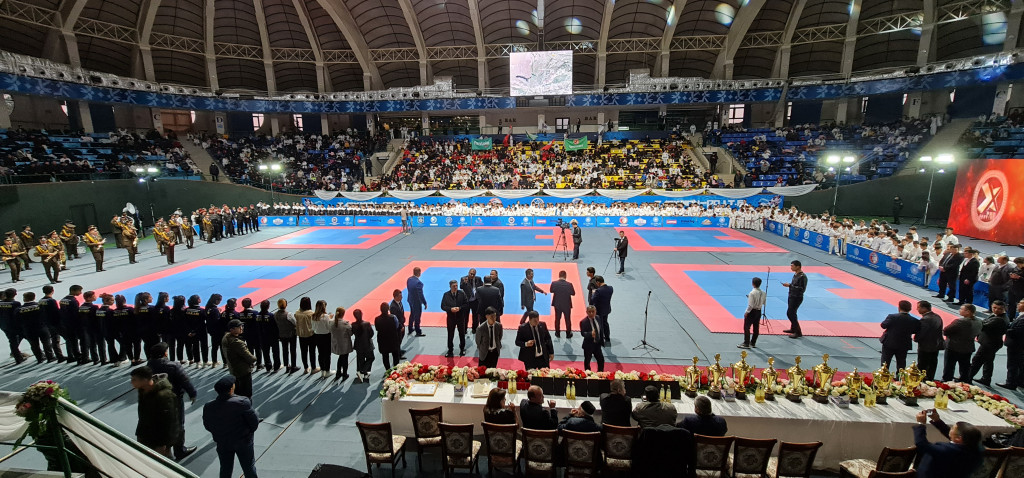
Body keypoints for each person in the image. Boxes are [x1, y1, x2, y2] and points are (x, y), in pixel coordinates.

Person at [146, 342, 198, 461]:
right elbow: (185, 381)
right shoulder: (173, 366)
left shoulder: (149, 366)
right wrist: (192, 394)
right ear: (165, 353)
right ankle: (179, 450)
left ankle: (165, 450)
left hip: (156, 400)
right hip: (174, 399)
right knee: (178, 424)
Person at [203, 376, 260, 478]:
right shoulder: (243, 402)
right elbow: (254, 422)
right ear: (231, 389)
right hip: (243, 441)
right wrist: (248, 433)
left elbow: (208, 425)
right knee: (249, 467)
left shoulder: (208, 406)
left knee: (225, 468)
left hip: (223, 442)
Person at [912, 409, 983, 478]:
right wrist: (937, 420)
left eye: (952, 428)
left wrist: (920, 424)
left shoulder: (946, 450)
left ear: (959, 438)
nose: (950, 429)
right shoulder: (976, 451)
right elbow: (955, 437)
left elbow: (921, 444)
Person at [130, 366, 179, 458]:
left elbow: (169, 422)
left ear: (145, 380)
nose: (131, 382)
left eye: (134, 379)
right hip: (146, 435)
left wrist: (163, 444)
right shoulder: (143, 390)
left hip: (159, 441)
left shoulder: (164, 396)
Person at [970, 300, 1009, 386]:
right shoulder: (996, 316)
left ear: (1004, 309)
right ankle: (986, 379)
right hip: (992, 342)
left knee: (977, 360)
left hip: (989, 343)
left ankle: (968, 377)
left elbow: (983, 325)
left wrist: (974, 319)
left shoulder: (999, 319)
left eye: (999, 308)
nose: (996, 310)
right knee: (988, 361)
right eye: (994, 307)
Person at [942, 304, 983, 384]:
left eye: (961, 309)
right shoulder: (979, 321)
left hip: (954, 346)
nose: (959, 310)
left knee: (949, 366)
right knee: (965, 366)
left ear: (968, 311)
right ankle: (963, 380)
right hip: (968, 347)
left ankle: (947, 381)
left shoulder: (960, 321)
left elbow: (946, 331)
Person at [880, 300, 921, 371]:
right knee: (901, 363)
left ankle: (883, 376)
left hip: (889, 342)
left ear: (899, 308)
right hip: (904, 344)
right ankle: (900, 376)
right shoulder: (914, 320)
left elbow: (883, 325)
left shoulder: (892, 317)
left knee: (885, 362)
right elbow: (915, 330)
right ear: (910, 309)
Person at [221, 319, 256, 398]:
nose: (241, 328)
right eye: (239, 327)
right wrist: (254, 358)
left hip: (233, 369)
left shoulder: (226, 338)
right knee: (246, 393)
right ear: (232, 330)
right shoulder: (237, 343)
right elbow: (250, 358)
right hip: (243, 370)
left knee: (237, 392)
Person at [915, 301, 945, 382]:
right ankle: (930, 379)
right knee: (932, 363)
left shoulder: (925, 319)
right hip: (936, 344)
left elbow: (922, 332)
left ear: (924, 308)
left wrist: (916, 339)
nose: (917, 309)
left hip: (926, 345)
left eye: (918, 307)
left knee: (922, 364)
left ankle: (920, 380)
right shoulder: (937, 316)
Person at [998, 299, 1024, 390]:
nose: (1018, 304)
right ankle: (1019, 381)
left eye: (1020, 303)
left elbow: (1018, 331)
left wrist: (1005, 330)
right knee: (1019, 364)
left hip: (1016, 344)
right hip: (1017, 344)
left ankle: (1011, 383)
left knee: (1012, 364)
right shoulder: (1021, 316)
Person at [441, 279, 468, 357]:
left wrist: (460, 308)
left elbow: (466, 304)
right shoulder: (446, 295)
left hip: (460, 317)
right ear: (450, 286)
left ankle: (462, 349)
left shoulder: (462, 293)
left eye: (456, 285)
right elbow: (443, 306)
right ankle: (450, 350)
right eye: (454, 286)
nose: (456, 287)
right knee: (450, 334)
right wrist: (450, 309)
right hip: (451, 318)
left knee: (462, 334)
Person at [738, 277, 766, 349]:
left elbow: (750, 305)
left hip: (752, 311)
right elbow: (764, 302)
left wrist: (746, 312)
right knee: (756, 327)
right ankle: (753, 342)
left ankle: (746, 343)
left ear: (753, 284)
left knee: (746, 327)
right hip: (759, 311)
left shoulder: (752, 293)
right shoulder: (763, 293)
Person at [781, 260, 807, 338]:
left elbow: (801, 289)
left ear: (798, 267)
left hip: (797, 297)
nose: (791, 267)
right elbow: (794, 285)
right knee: (792, 313)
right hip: (792, 295)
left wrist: (789, 285)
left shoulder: (802, 277)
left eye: (792, 266)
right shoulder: (796, 275)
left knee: (790, 313)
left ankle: (798, 332)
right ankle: (793, 328)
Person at [549, 270, 575, 338]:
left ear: (559, 275)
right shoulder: (569, 284)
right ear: (565, 276)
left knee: (557, 319)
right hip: (567, 304)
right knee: (567, 319)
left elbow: (551, 290)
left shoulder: (554, 283)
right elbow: (573, 293)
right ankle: (568, 333)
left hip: (557, 304)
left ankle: (557, 333)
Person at [374, 302, 401, 369]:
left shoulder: (377, 319)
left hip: (382, 340)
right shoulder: (393, 317)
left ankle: (387, 370)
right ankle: (396, 370)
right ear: (388, 309)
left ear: (380, 309)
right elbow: (397, 326)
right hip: (393, 339)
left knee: (385, 356)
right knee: (395, 355)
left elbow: (377, 328)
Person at [311, 300, 334, 378]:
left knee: (320, 353)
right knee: (327, 354)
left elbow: (313, 327)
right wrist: (331, 319)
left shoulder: (313, 316)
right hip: (326, 336)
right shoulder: (325, 316)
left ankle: (322, 370)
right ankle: (327, 371)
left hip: (317, 336)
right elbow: (328, 327)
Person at [274, 298, 297, 373]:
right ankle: (293, 366)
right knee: (293, 350)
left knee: (285, 350)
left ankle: (287, 366)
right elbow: (295, 323)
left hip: (282, 335)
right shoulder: (289, 314)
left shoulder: (275, 315)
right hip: (291, 334)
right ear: (286, 305)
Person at [294, 297, 316, 374]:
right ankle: (313, 368)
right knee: (312, 352)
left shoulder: (297, 313)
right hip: (310, 335)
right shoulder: (311, 313)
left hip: (301, 335)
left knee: (303, 352)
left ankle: (306, 368)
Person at [330, 307, 353, 381]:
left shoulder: (331, 323)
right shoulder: (345, 323)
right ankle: (344, 374)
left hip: (336, 343)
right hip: (345, 344)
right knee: (345, 359)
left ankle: (338, 373)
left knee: (341, 357)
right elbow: (351, 333)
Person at [579, 305, 605, 372]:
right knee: (587, 361)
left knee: (601, 360)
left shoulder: (598, 318)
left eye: (593, 311)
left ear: (595, 311)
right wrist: (590, 334)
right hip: (588, 346)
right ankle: (588, 374)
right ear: (586, 312)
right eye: (589, 312)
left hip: (597, 344)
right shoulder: (583, 322)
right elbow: (583, 333)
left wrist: (602, 340)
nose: (591, 313)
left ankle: (600, 373)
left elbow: (601, 330)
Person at [589, 275, 613, 347]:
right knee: (605, 323)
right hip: (607, 309)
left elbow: (592, 301)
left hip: (599, 310)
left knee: (600, 325)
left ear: (598, 282)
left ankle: (601, 340)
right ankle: (607, 338)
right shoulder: (611, 288)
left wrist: (593, 294)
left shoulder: (598, 291)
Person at [352, 309, 375, 382]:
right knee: (371, 358)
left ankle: (362, 372)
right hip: (367, 344)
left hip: (358, 345)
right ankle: (364, 371)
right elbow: (371, 334)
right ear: (361, 314)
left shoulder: (353, 325)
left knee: (360, 359)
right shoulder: (367, 324)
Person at [460, 268, 483, 332]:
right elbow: (461, 287)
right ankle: (464, 329)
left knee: (476, 316)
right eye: (471, 274)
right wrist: (464, 283)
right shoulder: (463, 278)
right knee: (465, 316)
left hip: (475, 300)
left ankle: (474, 329)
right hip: (466, 301)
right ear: (468, 273)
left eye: (473, 274)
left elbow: (482, 286)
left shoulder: (478, 279)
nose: (472, 275)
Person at [406, 267, 426, 337]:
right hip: (416, 302)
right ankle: (418, 331)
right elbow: (420, 295)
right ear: (419, 273)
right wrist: (424, 302)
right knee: (417, 316)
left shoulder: (409, 279)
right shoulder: (419, 283)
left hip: (410, 300)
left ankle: (410, 328)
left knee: (412, 314)